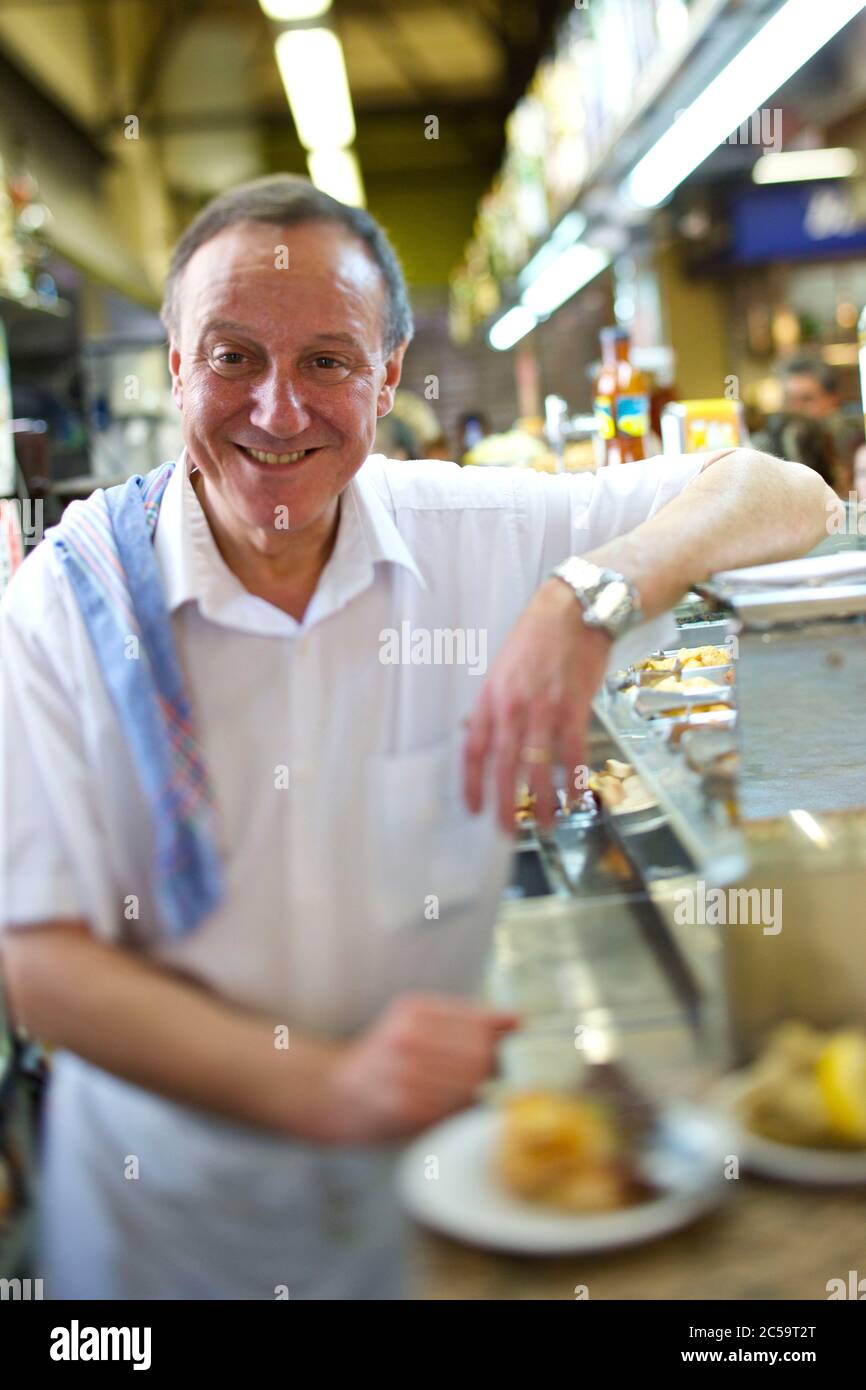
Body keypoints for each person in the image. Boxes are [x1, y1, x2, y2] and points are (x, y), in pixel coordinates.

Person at [0, 174, 834, 1301]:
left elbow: (783, 492)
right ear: (178, 361)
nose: (278, 409)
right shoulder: (66, 602)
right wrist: (329, 1089)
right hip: (164, 1245)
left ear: (390, 374)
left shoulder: (474, 535)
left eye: (327, 362)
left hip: (425, 1219)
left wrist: (585, 592)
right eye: (235, 355)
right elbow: (43, 967)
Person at [778, 356, 864, 493]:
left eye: (807, 400)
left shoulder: (855, 442)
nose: (796, 409)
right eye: (789, 400)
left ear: (833, 398)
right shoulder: (773, 444)